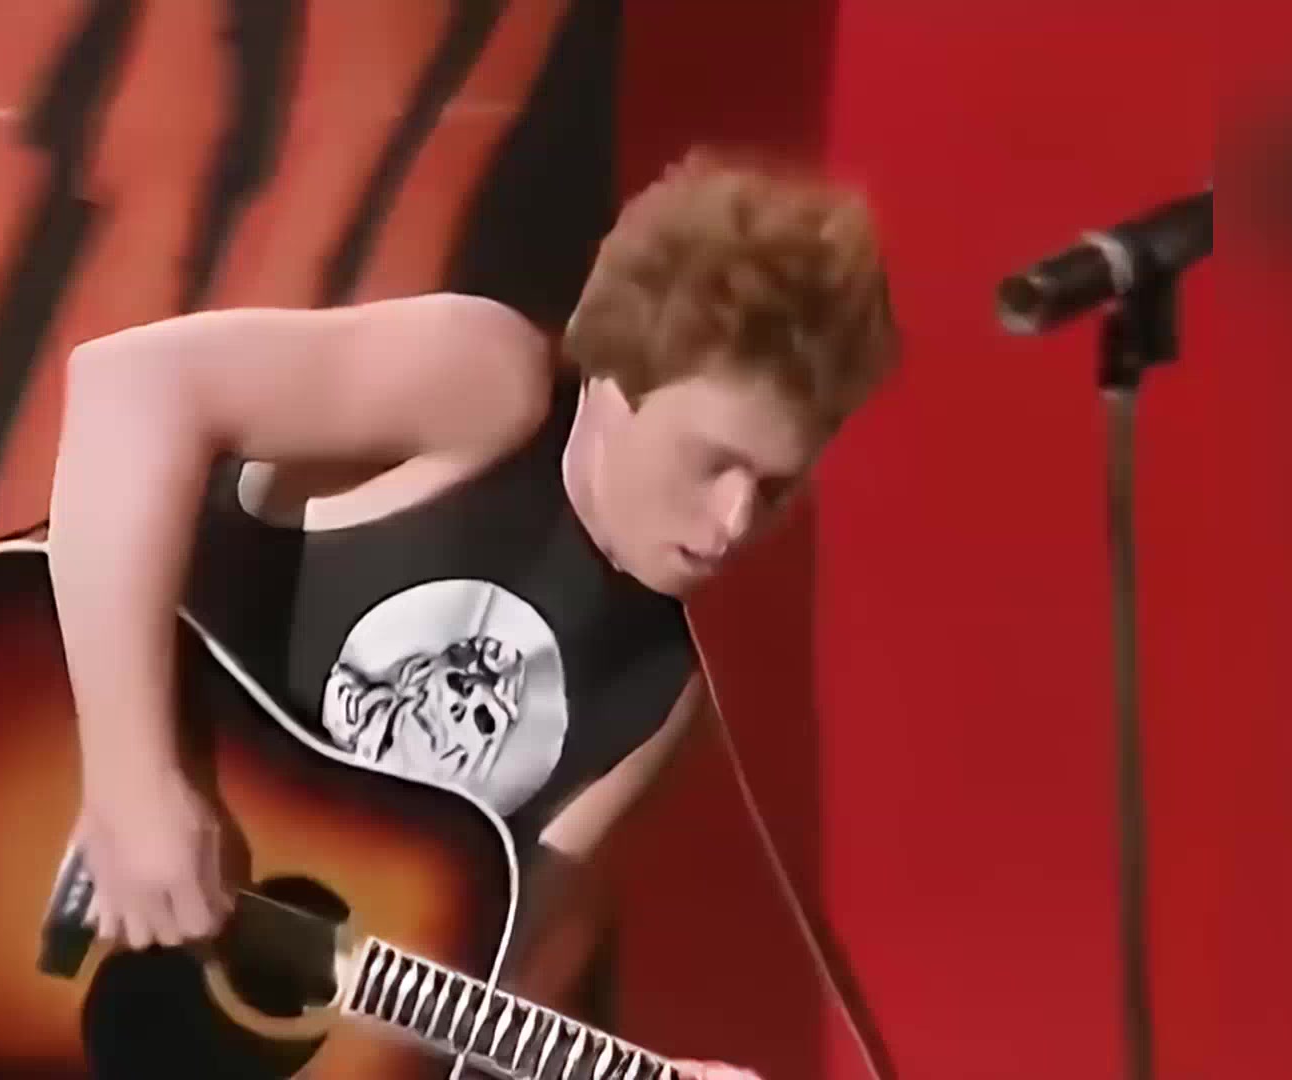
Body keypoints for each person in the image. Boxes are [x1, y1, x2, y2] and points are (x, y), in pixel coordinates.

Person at [46, 148, 900, 1080]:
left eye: (774, 488)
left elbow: (496, 999)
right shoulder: (488, 383)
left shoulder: (659, 693)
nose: (735, 521)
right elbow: (130, 389)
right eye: (712, 462)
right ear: (615, 379)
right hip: (27, 810)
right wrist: (130, 784)